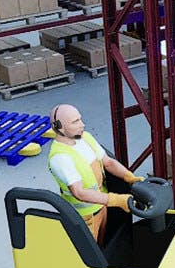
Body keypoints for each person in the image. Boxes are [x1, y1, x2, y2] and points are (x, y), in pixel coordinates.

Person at [47, 104, 144, 244]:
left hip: (102, 206)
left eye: (80, 119)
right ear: (59, 127)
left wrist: (129, 177)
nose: (82, 124)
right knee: (90, 255)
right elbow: (79, 192)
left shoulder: (85, 138)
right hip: (85, 218)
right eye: (75, 122)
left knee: (104, 243)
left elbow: (108, 162)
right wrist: (117, 200)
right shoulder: (60, 157)